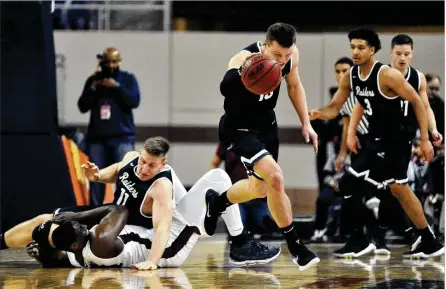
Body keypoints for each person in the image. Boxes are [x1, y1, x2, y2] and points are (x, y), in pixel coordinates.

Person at [1, 137, 279, 266]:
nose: (144, 168)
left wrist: (152, 262)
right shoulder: (132, 158)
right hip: (107, 216)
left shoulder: (160, 187)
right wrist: (96, 176)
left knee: (218, 178)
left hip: (127, 224)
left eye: (151, 165)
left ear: (162, 164)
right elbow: (115, 173)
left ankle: (239, 241)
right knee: (42, 220)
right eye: (144, 161)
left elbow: (161, 228)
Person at [309, 27, 444, 258]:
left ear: (373, 50)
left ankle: (362, 239)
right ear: (391, 53)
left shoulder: (389, 75)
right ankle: (427, 239)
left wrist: (426, 138)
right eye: (352, 47)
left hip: (397, 141)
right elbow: (340, 106)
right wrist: (320, 114)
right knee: (398, 190)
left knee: (358, 184)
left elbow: (420, 104)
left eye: (361, 47)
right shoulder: (352, 76)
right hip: (375, 139)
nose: (355, 52)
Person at [207, 22, 320, 271]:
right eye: (276, 55)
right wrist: (240, 76)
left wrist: (306, 123)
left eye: (287, 56)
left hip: (266, 126)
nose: (281, 61)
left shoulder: (291, 56)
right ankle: (297, 247)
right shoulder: (243, 58)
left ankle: (218, 202)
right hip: (238, 127)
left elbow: (293, 86)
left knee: (259, 189)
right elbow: (224, 87)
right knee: (276, 178)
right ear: (266, 45)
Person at [78, 47, 141, 206]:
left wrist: (117, 87)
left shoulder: (127, 79)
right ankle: (94, 215)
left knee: (126, 178)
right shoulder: (94, 80)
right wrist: (94, 87)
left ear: (119, 62)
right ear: (103, 62)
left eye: (115, 62)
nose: (111, 66)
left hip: (122, 138)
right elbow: (82, 106)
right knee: (96, 179)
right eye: (108, 62)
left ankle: (126, 213)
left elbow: (134, 101)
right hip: (97, 139)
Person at [210, 143, 276, 236]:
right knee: (238, 229)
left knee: (266, 226)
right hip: (237, 197)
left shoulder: (260, 141)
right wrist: (215, 183)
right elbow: (214, 163)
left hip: (258, 197)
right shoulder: (227, 142)